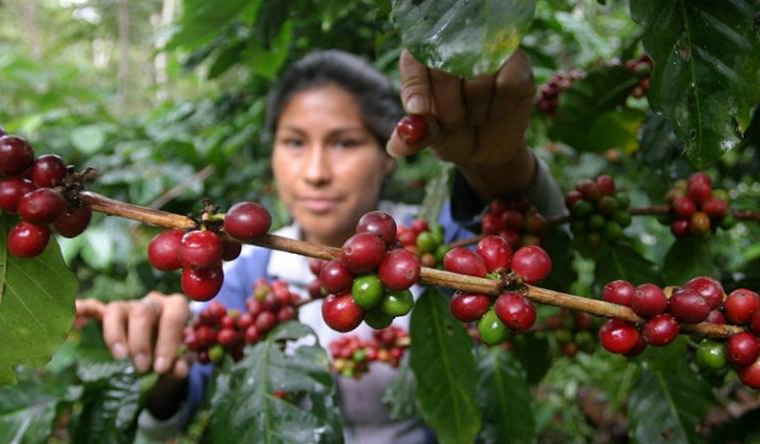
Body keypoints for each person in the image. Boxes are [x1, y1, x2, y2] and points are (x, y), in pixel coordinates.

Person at [76, 48, 566, 442]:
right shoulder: (245, 270)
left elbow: (532, 243)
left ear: (389, 154)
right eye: (294, 142)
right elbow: (175, 411)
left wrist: (499, 164)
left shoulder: (431, 250)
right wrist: (164, 363)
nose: (314, 172)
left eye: (345, 143)